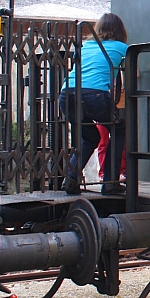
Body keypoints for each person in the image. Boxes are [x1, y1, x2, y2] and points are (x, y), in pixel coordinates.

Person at [60, 13, 128, 195]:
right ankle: (111, 182)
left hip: (67, 94)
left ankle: (71, 178)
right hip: (95, 95)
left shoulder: (86, 45)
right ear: (120, 30)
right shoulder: (122, 47)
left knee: (89, 136)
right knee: (119, 129)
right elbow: (133, 72)